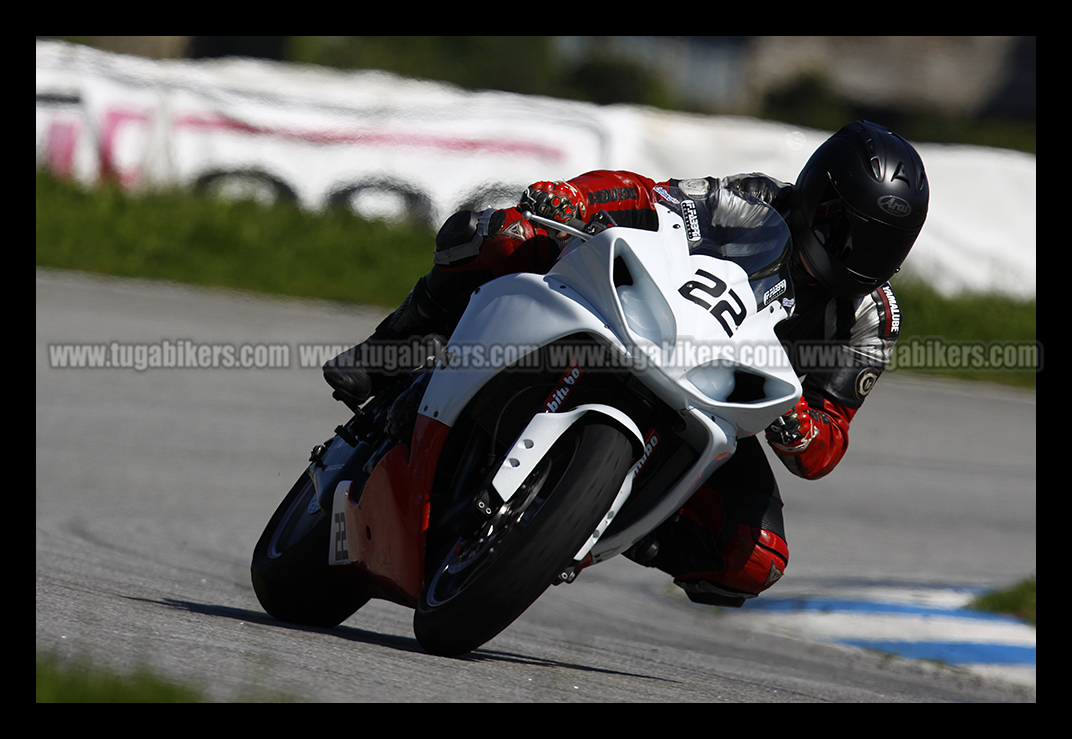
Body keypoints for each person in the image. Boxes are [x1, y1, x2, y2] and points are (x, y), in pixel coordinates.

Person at [323, 120, 929, 607]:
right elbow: (651, 198)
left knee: (756, 557)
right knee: (502, 233)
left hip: (719, 401)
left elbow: (829, 437)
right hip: (639, 320)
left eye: (884, 246)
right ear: (819, 199)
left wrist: (798, 424)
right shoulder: (754, 202)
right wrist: (579, 201)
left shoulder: (871, 317)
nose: (863, 257)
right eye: (852, 232)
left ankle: (607, 519)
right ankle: (394, 347)